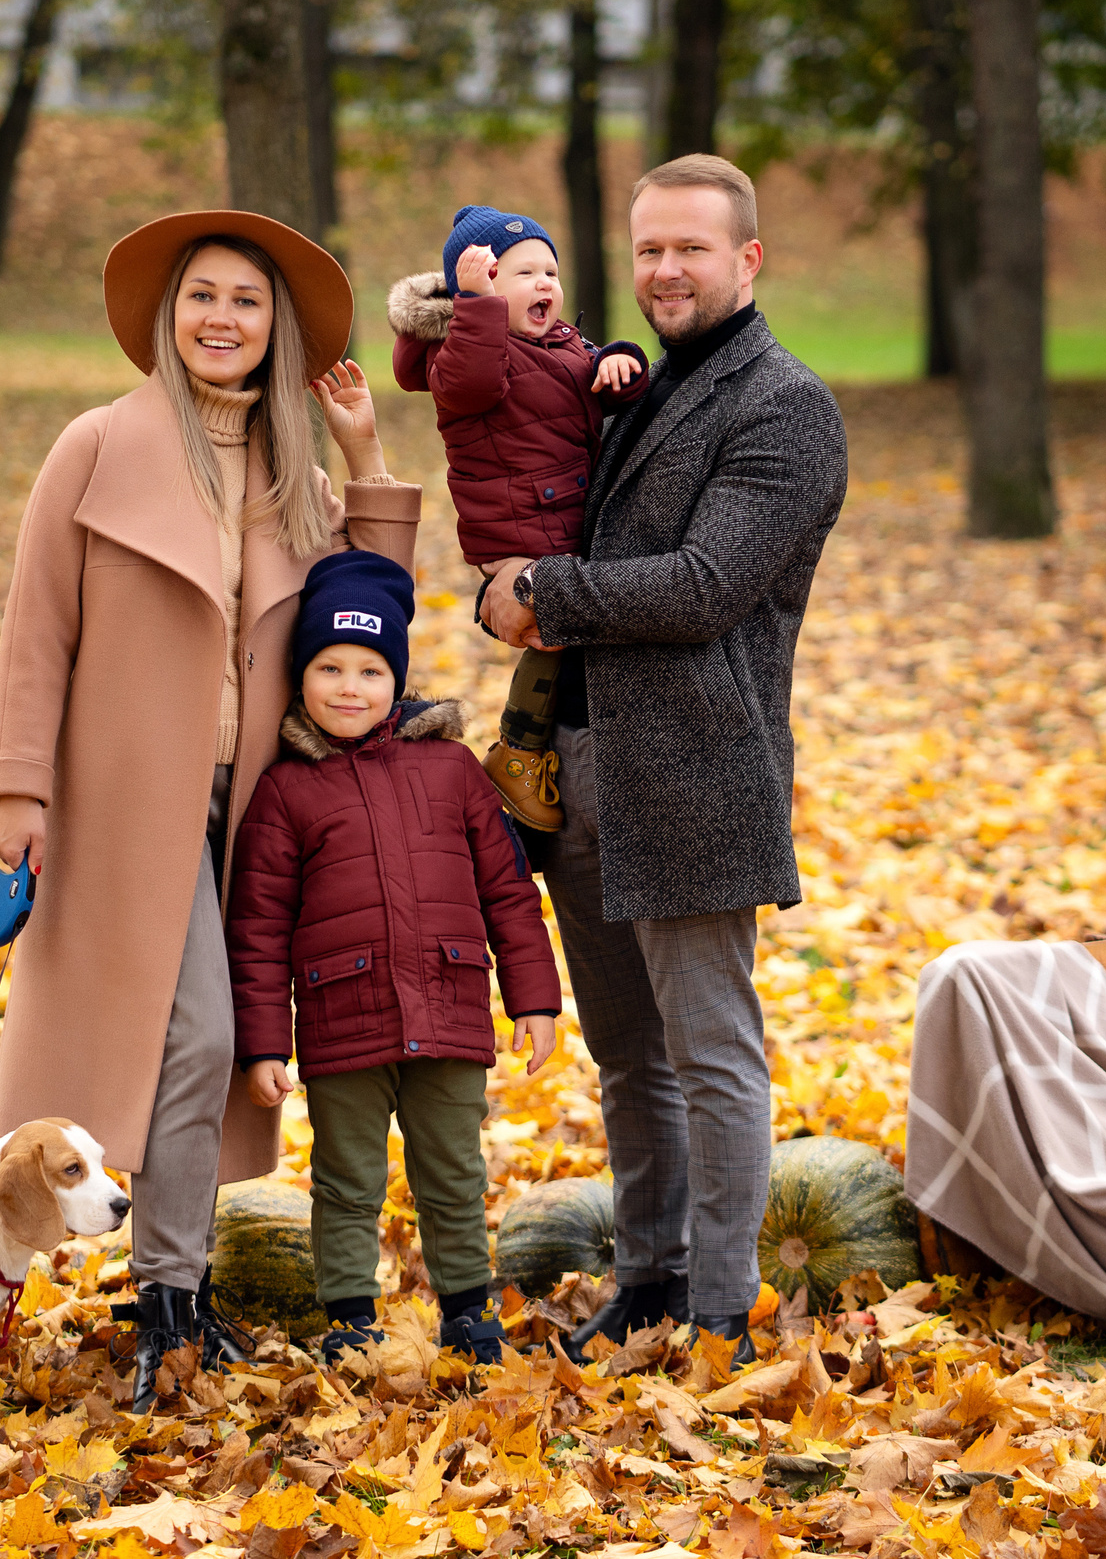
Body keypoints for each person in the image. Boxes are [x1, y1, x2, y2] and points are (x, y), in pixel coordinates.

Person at [0, 211, 421, 1411]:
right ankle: (165, 1295)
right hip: (125, 805)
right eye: (200, 298)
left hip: (257, 813)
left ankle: (168, 1291)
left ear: (273, 329)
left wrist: (366, 461)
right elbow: (37, 632)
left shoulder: (290, 474)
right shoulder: (96, 447)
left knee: (205, 1049)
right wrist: (16, 788)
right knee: (205, 1039)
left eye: (246, 302)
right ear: (168, 319)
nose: (221, 320)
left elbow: (368, 613)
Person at [475, 154, 848, 1360]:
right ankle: (647, 1276)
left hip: (695, 774)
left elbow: (705, 588)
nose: (664, 270)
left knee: (711, 1054)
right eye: (647, 250)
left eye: (690, 248)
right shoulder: (629, 387)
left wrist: (540, 589)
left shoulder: (783, 405)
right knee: (628, 1054)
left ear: (747, 258)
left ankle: (715, 1311)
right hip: (579, 765)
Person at [225, 550, 562, 1364]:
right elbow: (258, 928)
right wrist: (265, 1042)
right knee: (347, 1180)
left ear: (397, 679)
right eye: (329, 667)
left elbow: (509, 890)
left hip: (447, 1009)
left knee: (452, 1170)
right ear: (301, 678)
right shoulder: (285, 791)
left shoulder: (452, 771)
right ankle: (349, 1316)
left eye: (370, 669)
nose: (348, 687)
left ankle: (468, 1310)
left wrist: (535, 998)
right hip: (344, 1022)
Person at [388, 206, 643, 831]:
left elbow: (595, 392)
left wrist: (619, 364)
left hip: (556, 513)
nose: (544, 285)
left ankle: (532, 746)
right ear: (476, 292)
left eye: (550, 271)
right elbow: (472, 386)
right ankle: (519, 751)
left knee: (564, 628)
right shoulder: (461, 352)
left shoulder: (557, 343)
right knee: (551, 629)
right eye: (521, 273)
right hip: (516, 526)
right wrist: (472, 308)